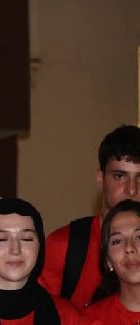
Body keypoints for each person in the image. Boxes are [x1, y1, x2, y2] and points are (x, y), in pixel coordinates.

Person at [42, 124, 140, 309]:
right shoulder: (66, 245)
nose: (132, 190)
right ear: (100, 178)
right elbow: (39, 320)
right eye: (120, 176)